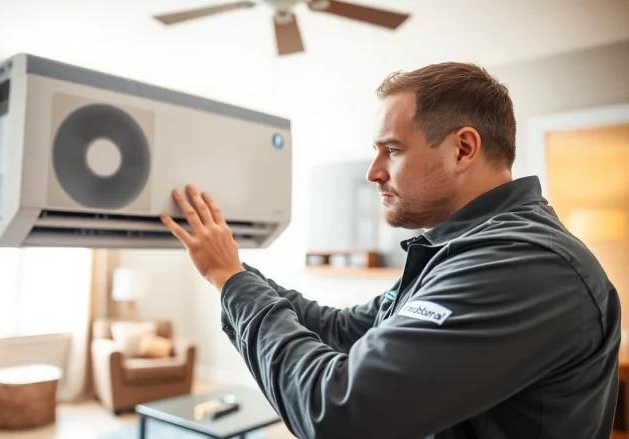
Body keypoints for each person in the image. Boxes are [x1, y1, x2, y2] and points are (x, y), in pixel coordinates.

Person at [159, 62, 621, 439]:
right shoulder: (458, 250)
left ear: (463, 149)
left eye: (392, 150)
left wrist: (233, 282)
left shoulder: (524, 264)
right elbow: (343, 329)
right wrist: (232, 268)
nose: (374, 172)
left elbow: (337, 413)